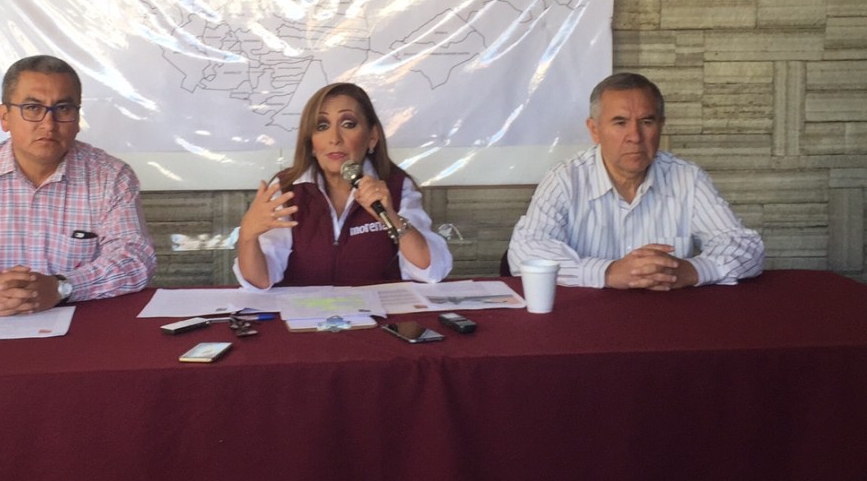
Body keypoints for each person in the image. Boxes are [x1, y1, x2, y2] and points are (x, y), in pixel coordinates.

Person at [0, 55, 156, 314]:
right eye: (32, 108)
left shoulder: (111, 177)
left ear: (77, 119)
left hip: (82, 324)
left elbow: (135, 259)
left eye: (63, 109)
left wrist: (62, 287)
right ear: (5, 117)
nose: (48, 124)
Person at [505, 72, 763, 290]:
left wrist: (693, 270)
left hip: (666, 318)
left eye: (646, 122)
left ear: (661, 125)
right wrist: (608, 272)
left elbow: (746, 248)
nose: (635, 136)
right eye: (620, 123)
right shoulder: (565, 179)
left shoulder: (687, 178)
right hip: (587, 320)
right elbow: (525, 252)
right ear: (595, 130)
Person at [235, 83, 452, 289]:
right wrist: (248, 236)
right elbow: (260, 281)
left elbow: (432, 271)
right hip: (305, 314)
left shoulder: (396, 186)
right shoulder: (287, 189)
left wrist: (391, 217)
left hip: (380, 313)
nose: (334, 138)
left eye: (348, 124)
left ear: (372, 137)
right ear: (311, 143)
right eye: (322, 126)